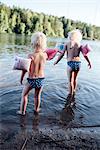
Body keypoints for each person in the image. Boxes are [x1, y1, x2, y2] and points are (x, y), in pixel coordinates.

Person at [54, 29, 91, 98]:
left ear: (70, 37)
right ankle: (74, 91)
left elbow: (61, 54)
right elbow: (85, 55)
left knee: (70, 81)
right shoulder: (79, 44)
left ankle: (70, 95)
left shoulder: (67, 44)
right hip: (78, 64)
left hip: (70, 63)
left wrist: (56, 62)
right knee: (75, 79)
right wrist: (89, 62)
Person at [17, 32, 48, 115]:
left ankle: (22, 112)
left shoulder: (31, 55)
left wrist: (21, 78)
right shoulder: (45, 55)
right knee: (37, 96)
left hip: (31, 79)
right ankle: (36, 109)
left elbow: (25, 69)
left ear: (33, 43)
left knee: (24, 95)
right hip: (41, 79)